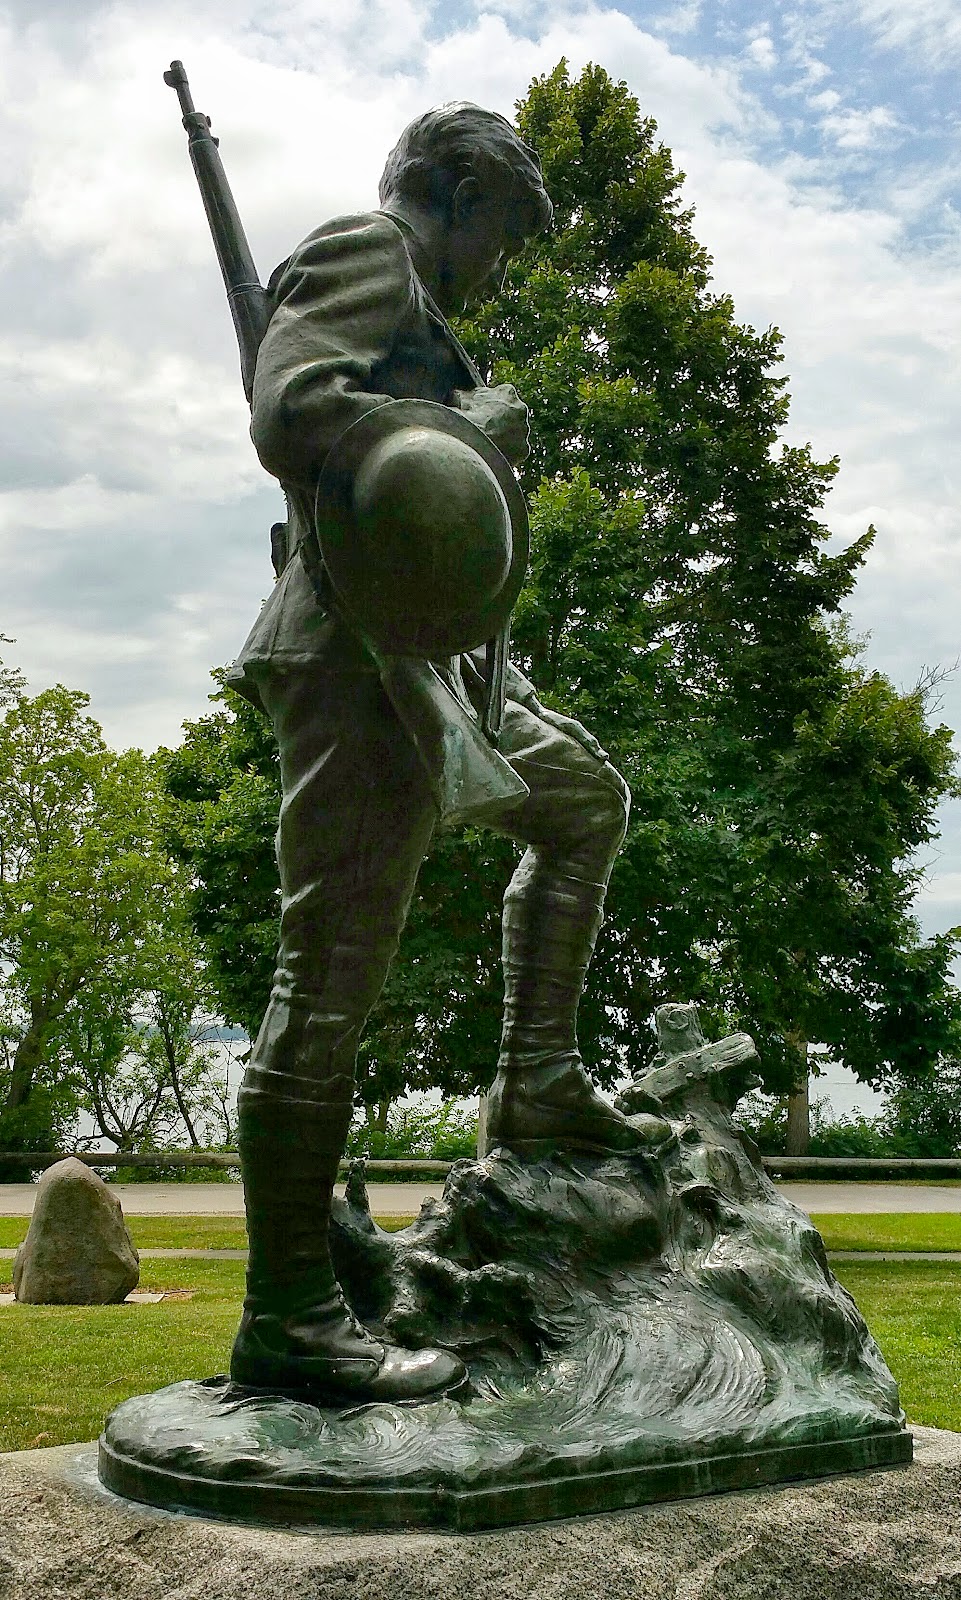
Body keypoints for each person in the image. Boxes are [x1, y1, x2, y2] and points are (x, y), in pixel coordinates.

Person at [226, 102, 661, 1404]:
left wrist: (475, 432)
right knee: (328, 988)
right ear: (449, 192)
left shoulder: (418, 291)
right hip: (357, 662)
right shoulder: (365, 250)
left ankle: (535, 1081)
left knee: (583, 801)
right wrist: (461, 445)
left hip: (437, 663)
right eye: (501, 241)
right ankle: (289, 1318)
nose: (501, 269)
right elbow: (293, 407)